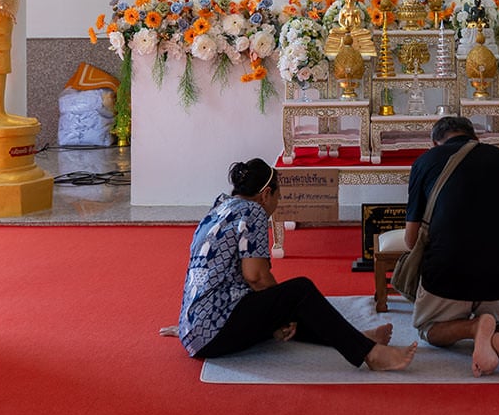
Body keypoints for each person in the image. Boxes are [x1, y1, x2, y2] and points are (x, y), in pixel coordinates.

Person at [172, 158, 417, 371]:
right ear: (266, 193)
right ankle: (370, 354)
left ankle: (356, 338)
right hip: (215, 332)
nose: (277, 202)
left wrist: (277, 317)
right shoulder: (253, 211)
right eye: (278, 196)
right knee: (300, 292)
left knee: (289, 307)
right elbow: (256, 277)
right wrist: (279, 314)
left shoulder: (219, 208)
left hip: (194, 329)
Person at [405, 116, 499, 384]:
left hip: (448, 272)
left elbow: (411, 239)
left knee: (428, 330)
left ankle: (475, 327)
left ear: (434, 142)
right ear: (476, 138)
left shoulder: (425, 162)